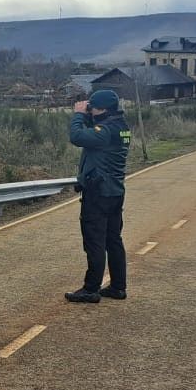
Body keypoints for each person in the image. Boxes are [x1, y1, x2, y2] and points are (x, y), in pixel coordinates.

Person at [65, 89, 130, 303]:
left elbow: (76, 136)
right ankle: (118, 287)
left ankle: (91, 289)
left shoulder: (105, 131)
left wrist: (78, 115)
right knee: (113, 240)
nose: (89, 109)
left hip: (98, 193)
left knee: (95, 241)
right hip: (115, 191)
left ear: (101, 109)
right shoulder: (121, 127)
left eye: (92, 106)